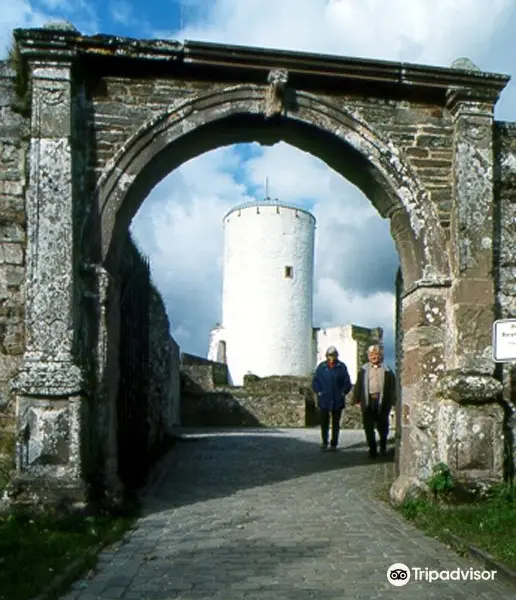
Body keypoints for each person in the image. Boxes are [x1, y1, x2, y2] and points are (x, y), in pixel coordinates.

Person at [351, 343, 397, 458]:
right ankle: (372, 449)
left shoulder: (387, 370)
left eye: (376, 354)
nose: (373, 356)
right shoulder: (364, 370)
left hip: (382, 402)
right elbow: (359, 385)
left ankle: (382, 446)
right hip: (368, 402)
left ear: (380, 355)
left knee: (383, 426)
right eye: (371, 354)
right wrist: (356, 400)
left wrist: (393, 400)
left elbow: (392, 387)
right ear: (368, 356)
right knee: (368, 427)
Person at [312, 346, 352, 451]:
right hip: (324, 399)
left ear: (337, 355)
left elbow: (347, 381)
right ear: (326, 356)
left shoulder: (341, 366)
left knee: (336, 423)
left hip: (337, 399)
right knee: (324, 422)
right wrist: (319, 391)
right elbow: (315, 381)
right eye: (330, 355)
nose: (332, 357)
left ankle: (334, 443)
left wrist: (343, 392)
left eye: (334, 355)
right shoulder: (321, 367)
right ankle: (324, 442)